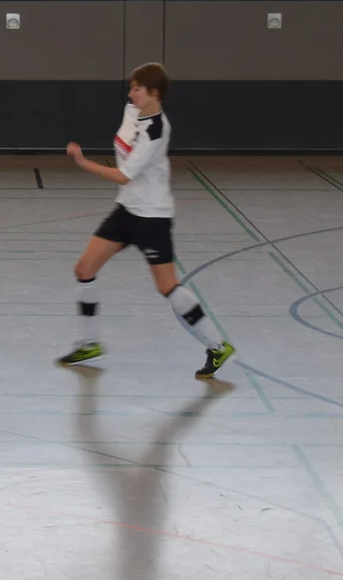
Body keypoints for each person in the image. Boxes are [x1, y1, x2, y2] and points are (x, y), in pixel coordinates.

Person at [59, 63, 236, 378]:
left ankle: (217, 346)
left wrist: (83, 162)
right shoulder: (132, 111)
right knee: (85, 269)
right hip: (127, 209)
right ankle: (90, 343)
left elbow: (124, 175)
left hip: (152, 217)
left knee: (167, 286)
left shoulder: (156, 130)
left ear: (154, 93)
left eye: (137, 88)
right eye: (131, 88)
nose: (131, 94)